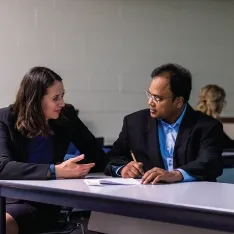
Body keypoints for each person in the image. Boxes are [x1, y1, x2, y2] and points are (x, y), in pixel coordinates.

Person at [0, 66, 108, 234]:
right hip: (8, 198)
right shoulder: (5, 119)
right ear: (35, 100)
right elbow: (3, 167)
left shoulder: (66, 115)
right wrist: (55, 170)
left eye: (62, 96)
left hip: (41, 202)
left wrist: (75, 168)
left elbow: (96, 155)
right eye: (55, 98)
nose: (62, 103)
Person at [104, 63, 223, 184]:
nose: (150, 102)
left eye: (157, 98)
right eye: (149, 95)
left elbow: (210, 163)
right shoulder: (134, 123)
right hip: (148, 197)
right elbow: (112, 158)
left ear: (179, 101)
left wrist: (176, 174)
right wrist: (123, 168)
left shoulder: (207, 126)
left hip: (194, 197)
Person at [196, 84, 234, 149]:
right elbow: (228, 145)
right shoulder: (212, 125)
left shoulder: (191, 119)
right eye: (223, 101)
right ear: (218, 103)